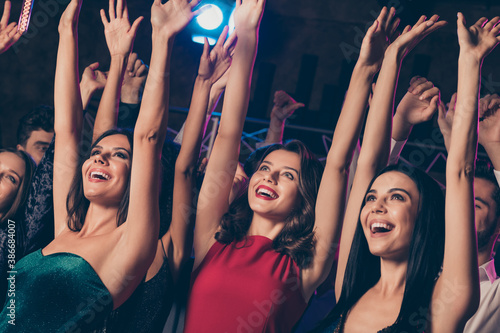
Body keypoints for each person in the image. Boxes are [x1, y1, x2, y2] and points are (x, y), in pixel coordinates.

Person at [0, 0, 196, 331]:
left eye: (120, 155)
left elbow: (148, 138)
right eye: (96, 151)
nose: (100, 157)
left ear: (138, 179)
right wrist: (66, 30)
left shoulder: (130, 241)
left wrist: (162, 39)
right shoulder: (64, 228)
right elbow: (67, 130)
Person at [316, 12, 499, 333]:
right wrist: (389, 60)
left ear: (425, 217)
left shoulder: (443, 304)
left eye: (397, 197)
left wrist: (470, 62)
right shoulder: (351, 284)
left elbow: (460, 172)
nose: (376, 205)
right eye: (372, 197)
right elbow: (367, 164)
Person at [437, 92, 500, 333]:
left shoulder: (495, 296)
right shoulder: (414, 273)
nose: (460, 212)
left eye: (476, 205)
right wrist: (457, 148)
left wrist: (494, 146)